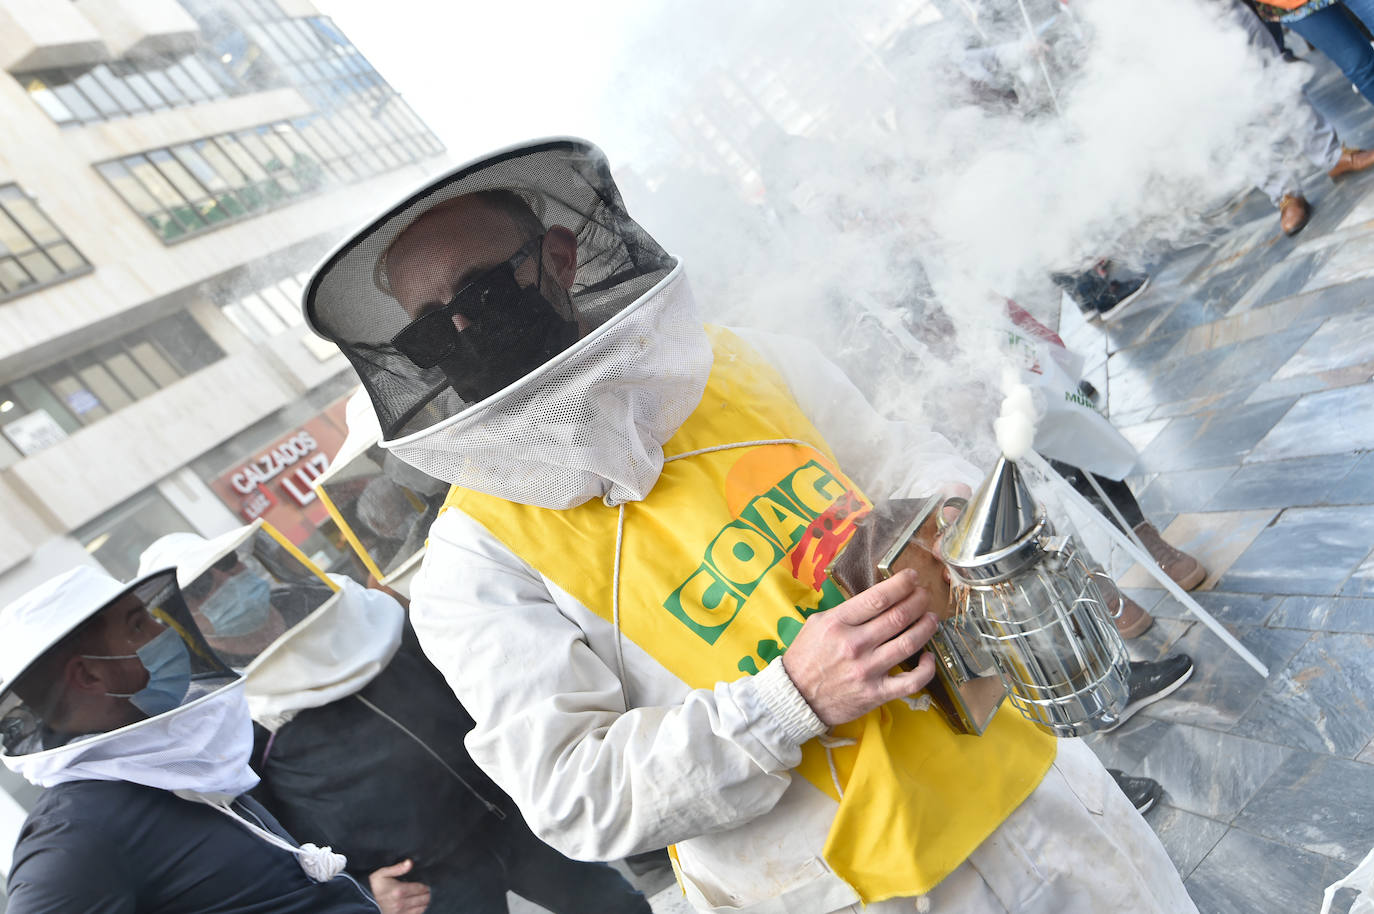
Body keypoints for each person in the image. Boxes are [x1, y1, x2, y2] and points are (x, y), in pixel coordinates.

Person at [302, 138, 1199, 912]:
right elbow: (574, 792)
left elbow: (902, 457)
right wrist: (789, 702)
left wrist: (940, 518)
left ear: (564, 255)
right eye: (429, 329)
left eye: (485, 289)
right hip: (847, 889)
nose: (463, 325)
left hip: (1032, 789)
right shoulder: (472, 562)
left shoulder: (730, 361)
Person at [138, 525, 652, 914]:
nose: (226, 583)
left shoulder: (350, 606)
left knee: (618, 907)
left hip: (512, 810)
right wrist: (360, 887)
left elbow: (468, 675)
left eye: (227, 566)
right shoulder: (228, 716)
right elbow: (269, 833)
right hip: (423, 879)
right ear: (186, 620)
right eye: (203, 588)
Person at [0, 565, 377, 913]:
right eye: (137, 625)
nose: (162, 631)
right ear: (89, 675)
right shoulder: (74, 836)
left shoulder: (166, 766)